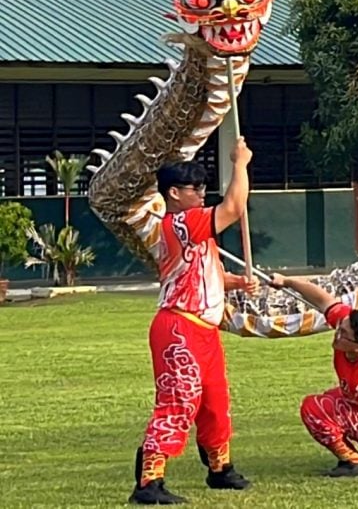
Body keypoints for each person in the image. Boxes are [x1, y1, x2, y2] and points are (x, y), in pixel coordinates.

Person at [129, 137, 256, 505]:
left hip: (204, 329)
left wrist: (235, 281)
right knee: (178, 400)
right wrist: (240, 163)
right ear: (173, 193)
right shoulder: (181, 223)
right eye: (194, 188)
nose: (201, 193)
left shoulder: (196, 232)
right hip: (179, 327)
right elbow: (233, 207)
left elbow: (203, 273)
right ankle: (149, 480)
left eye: (203, 187)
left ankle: (220, 468)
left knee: (215, 401)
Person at [269, 274, 358, 488]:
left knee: (314, 408)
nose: (337, 335)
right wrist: (287, 281)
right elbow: (322, 300)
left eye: (343, 334)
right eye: (339, 329)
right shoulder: (350, 323)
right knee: (330, 398)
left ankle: (353, 461)